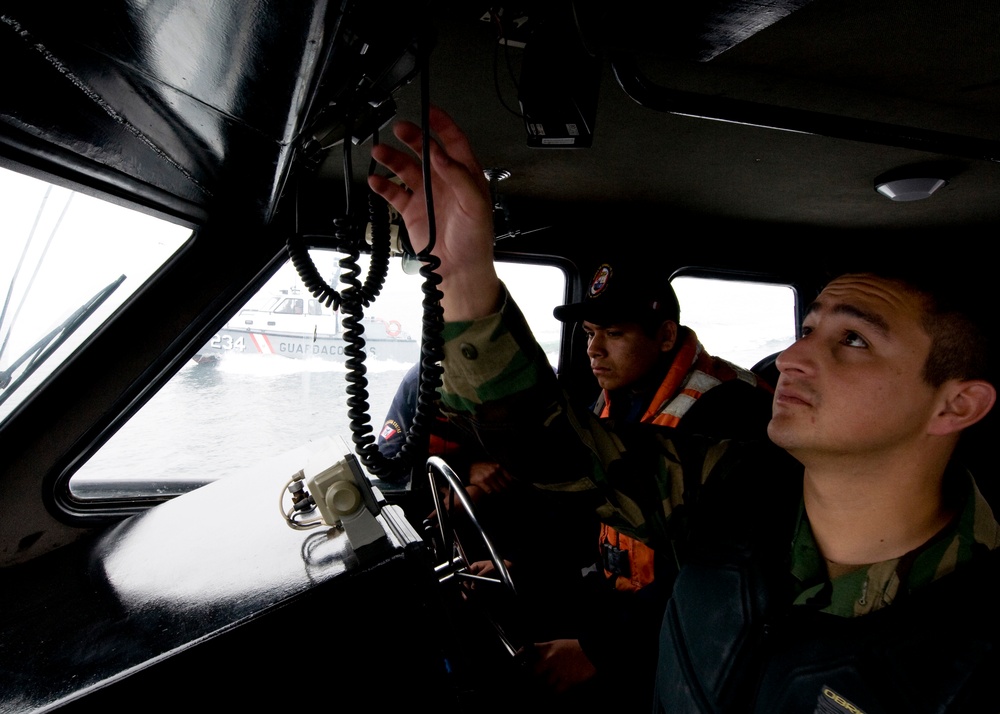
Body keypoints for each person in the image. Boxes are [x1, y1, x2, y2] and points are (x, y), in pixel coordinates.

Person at [369, 107, 1000, 712]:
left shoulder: (972, 627)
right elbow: (556, 450)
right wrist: (460, 278)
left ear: (957, 404)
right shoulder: (730, 488)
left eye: (854, 340)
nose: (792, 358)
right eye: (807, 329)